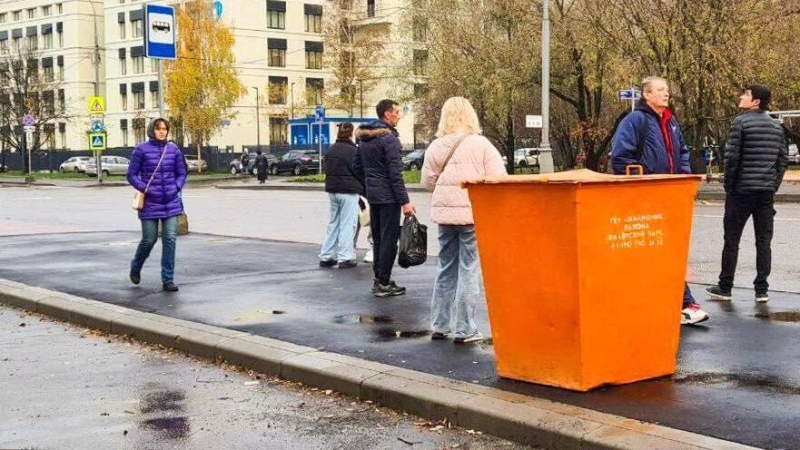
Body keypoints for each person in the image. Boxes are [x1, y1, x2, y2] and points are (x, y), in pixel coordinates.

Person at [611, 76, 710, 325]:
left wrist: (683, 177)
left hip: (670, 195)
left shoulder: (670, 121)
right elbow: (621, 158)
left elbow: (683, 152)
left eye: (667, 89)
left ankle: (674, 303)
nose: (666, 94)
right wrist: (641, 184)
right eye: (660, 90)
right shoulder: (635, 120)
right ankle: (682, 303)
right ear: (646, 95)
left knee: (666, 251)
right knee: (656, 252)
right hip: (645, 196)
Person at [422, 97, 506, 344]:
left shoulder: (436, 146)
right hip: (472, 214)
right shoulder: (481, 144)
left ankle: (440, 324)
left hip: (445, 216)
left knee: (446, 267)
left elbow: (428, 182)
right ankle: (465, 328)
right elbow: (498, 178)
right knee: (469, 269)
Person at [706, 85, 788, 303]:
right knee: (763, 240)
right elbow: (782, 161)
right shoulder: (776, 127)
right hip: (765, 193)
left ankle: (725, 287)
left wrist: (729, 186)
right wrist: (772, 185)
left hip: (741, 191)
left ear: (756, 102)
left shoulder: (740, 122)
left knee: (731, 239)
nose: (741, 96)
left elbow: (732, 159)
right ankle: (762, 289)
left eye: (746, 94)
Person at [353, 99, 417, 297]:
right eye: (396, 112)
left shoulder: (364, 139)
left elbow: (356, 167)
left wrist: (368, 187)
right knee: (389, 239)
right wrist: (405, 202)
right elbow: (395, 174)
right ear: (387, 114)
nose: (398, 116)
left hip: (374, 195)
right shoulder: (389, 139)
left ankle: (379, 279)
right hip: (388, 196)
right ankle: (383, 282)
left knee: (379, 238)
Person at [127, 118, 187, 292]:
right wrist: (145, 187)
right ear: (151, 130)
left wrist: (176, 187)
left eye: (165, 129)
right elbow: (131, 175)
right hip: (150, 203)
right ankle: (136, 265)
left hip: (170, 202)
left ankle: (168, 279)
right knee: (149, 239)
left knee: (169, 239)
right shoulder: (141, 150)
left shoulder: (173, 149)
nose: (162, 131)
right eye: (158, 128)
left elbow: (181, 173)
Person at [319, 123, 362, 269]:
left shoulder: (331, 150)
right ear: (351, 134)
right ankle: (345, 257)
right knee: (348, 224)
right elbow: (358, 171)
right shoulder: (353, 151)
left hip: (332, 190)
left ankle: (326, 256)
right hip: (349, 191)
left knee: (334, 223)